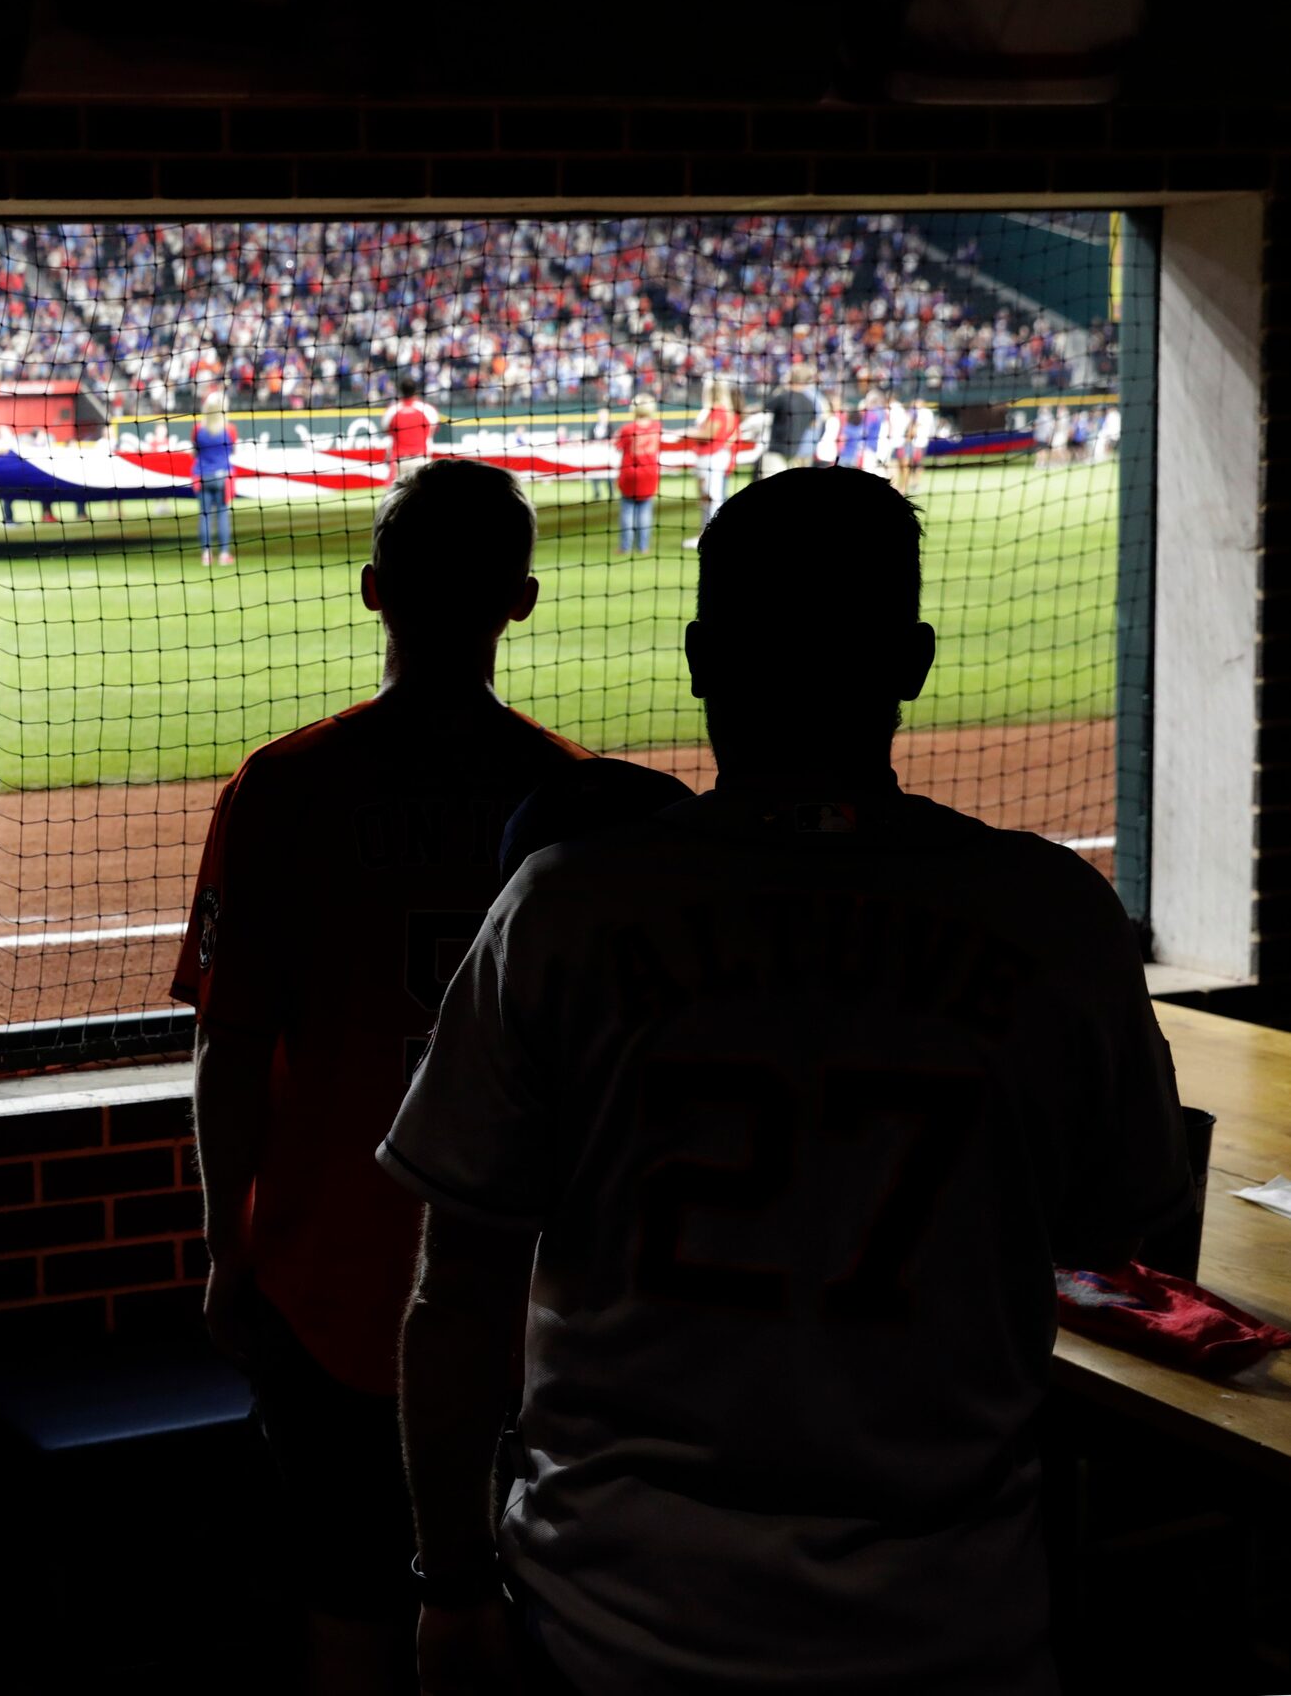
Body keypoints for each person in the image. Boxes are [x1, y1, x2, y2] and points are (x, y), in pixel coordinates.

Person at [382, 468, 1189, 1696]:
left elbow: (458, 1295)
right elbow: (1123, 1235)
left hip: (612, 1623)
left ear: (702, 659)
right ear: (912, 662)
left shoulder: (565, 907)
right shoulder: (1057, 920)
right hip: (952, 1628)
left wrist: (447, 1583)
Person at [180, 459, 588, 1696]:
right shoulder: (574, 803)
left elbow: (231, 1046)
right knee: (528, 1613)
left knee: (350, 1608)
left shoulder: (287, 787)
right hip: (524, 1300)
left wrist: (225, 1248)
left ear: (371, 592)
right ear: (519, 602)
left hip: (331, 1283)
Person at [678, 377, 741, 546]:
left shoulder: (719, 410)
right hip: (713, 457)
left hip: (712, 457)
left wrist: (684, 432)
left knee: (713, 497)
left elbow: (709, 435)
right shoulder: (723, 410)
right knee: (709, 497)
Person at [613, 393, 664, 556]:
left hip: (630, 473)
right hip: (650, 473)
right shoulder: (657, 427)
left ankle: (625, 547)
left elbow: (617, 446)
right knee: (645, 512)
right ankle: (643, 547)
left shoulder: (628, 428)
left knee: (627, 511)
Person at [192, 389, 238, 568]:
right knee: (222, 514)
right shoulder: (229, 429)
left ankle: (206, 555)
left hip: (202, 475)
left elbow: (195, 451)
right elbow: (233, 450)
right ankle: (224, 554)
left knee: (204, 515)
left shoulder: (198, 429)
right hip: (223, 477)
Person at [763, 362, 823, 477]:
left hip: (778, 451)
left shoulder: (783, 396)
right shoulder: (813, 401)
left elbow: (764, 408)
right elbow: (815, 424)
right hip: (801, 451)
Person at [384, 371, 441, 485]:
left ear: (400, 390)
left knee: (399, 497)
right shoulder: (427, 409)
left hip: (400, 460)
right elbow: (433, 431)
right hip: (421, 458)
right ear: (416, 391)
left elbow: (388, 431)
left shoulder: (392, 410)